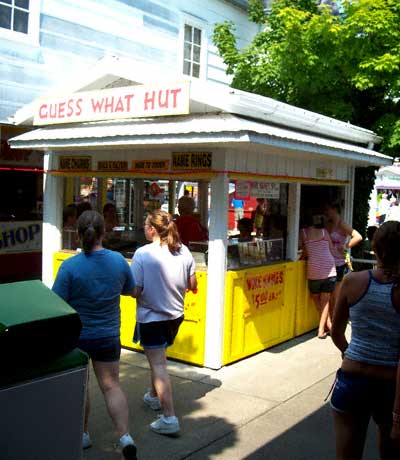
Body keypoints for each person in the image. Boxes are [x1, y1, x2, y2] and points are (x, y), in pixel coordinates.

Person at [52, 210, 137, 460]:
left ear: (78, 234)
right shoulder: (119, 261)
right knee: (111, 386)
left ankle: (83, 434)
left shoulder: (69, 267)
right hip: (109, 335)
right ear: (104, 232)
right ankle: (125, 437)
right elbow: (131, 291)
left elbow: (57, 303)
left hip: (77, 337)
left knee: (82, 386)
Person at [330, 221, 400, 460]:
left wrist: (349, 351)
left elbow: (336, 333)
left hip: (352, 379)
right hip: (390, 384)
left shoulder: (352, 281)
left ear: (376, 249)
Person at [130, 210, 197, 436]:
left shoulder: (142, 254)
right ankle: (153, 396)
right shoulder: (184, 250)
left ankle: (169, 417)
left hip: (152, 318)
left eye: (145, 225)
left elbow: (135, 290)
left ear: (151, 229)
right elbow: (193, 282)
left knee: (158, 365)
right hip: (175, 316)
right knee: (159, 358)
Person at [300, 213, 337, 338]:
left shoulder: (303, 233)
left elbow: (305, 252)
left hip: (314, 270)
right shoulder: (324, 232)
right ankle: (327, 327)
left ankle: (323, 329)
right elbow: (331, 250)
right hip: (329, 268)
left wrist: (300, 259)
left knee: (316, 299)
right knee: (325, 301)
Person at [324, 202, 362, 324]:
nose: (326, 213)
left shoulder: (342, 224)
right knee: (329, 296)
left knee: (336, 295)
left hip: (338, 263)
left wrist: (346, 246)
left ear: (334, 209)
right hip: (328, 262)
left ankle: (337, 322)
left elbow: (358, 236)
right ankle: (331, 322)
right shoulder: (328, 223)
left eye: (328, 209)